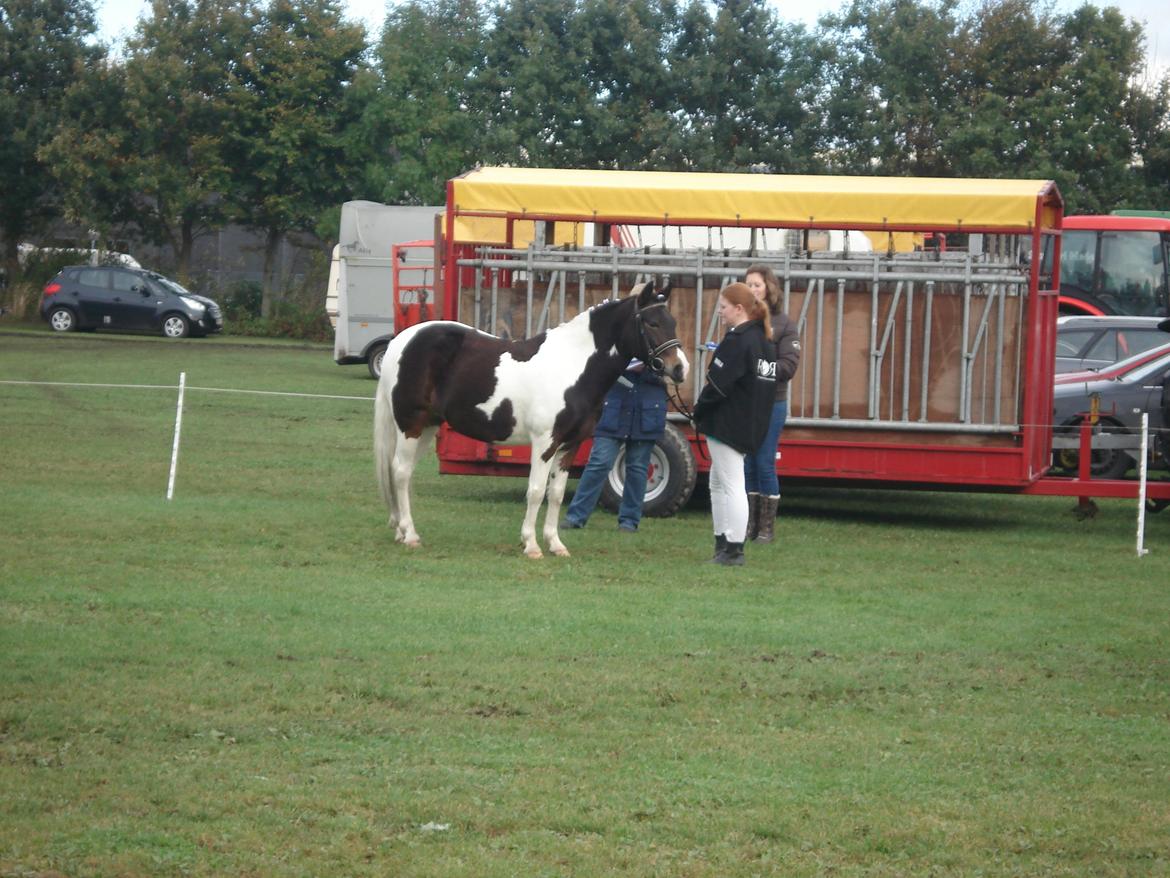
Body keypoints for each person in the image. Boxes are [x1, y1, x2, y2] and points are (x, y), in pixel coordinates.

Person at [692, 283, 776, 566]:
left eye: (724, 307)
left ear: (739, 309)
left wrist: (699, 409)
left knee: (730, 484)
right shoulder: (765, 340)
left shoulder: (738, 340)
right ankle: (723, 543)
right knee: (720, 482)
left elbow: (717, 384)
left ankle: (733, 548)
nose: (720, 312)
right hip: (750, 421)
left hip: (728, 422)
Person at [561, 360, 667, 532]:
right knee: (599, 462)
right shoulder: (618, 335)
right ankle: (575, 517)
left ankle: (629, 522)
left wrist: (654, 365)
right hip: (615, 403)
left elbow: (677, 369)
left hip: (647, 403)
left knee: (638, 468)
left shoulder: (663, 338)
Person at [743, 264, 801, 543]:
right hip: (746, 403)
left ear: (769, 287)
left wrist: (758, 369)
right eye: (748, 285)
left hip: (772, 403)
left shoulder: (784, 324)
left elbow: (789, 367)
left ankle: (766, 528)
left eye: (757, 284)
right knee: (747, 464)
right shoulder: (742, 320)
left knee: (764, 462)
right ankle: (748, 525)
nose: (752, 289)